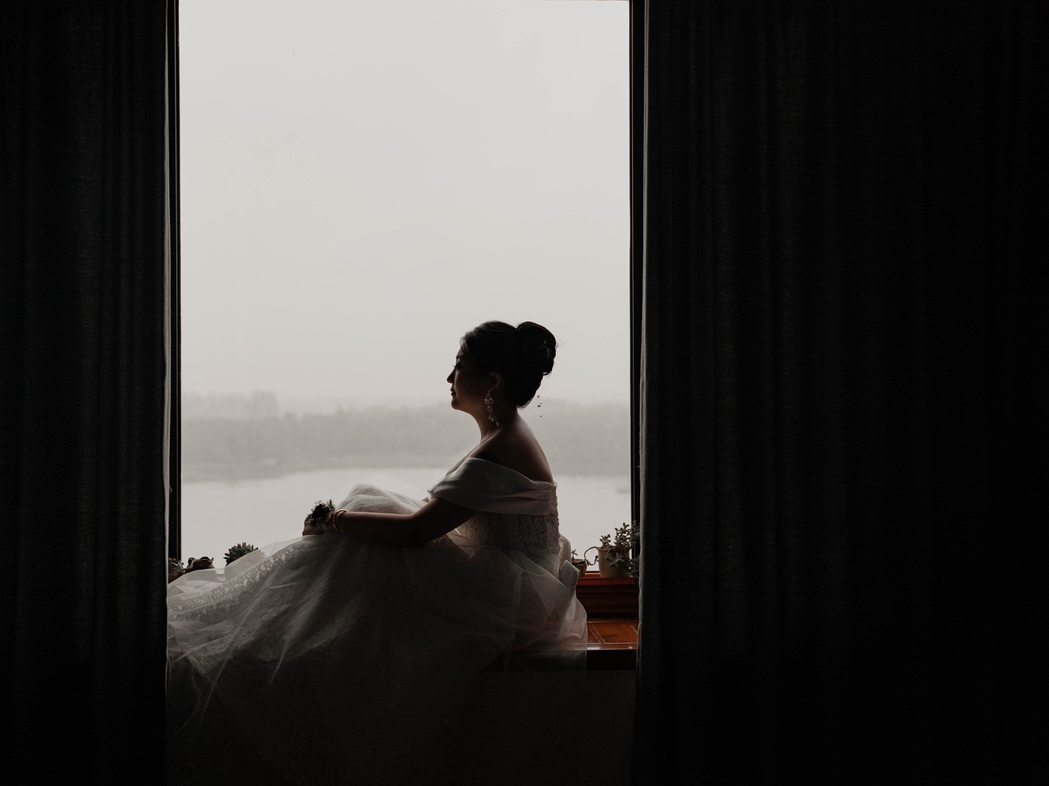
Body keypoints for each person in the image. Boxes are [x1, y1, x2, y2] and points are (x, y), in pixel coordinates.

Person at [166, 321, 586, 786]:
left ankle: (281, 627)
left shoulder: (500, 448)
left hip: (509, 597)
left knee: (369, 510)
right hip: (510, 583)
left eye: (460, 365)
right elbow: (429, 517)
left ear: (492, 381)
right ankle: (283, 622)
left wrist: (334, 520)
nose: (449, 377)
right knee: (372, 507)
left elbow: (414, 531)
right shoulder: (503, 437)